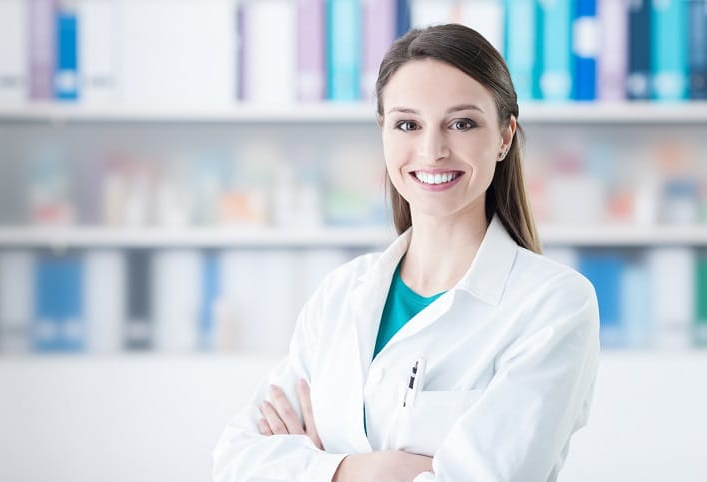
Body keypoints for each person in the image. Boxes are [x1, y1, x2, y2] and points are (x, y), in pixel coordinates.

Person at [212, 23, 599, 482]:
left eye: (462, 123)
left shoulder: (553, 305)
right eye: (407, 124)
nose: (432, 150)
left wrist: (312, 465)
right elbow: (235, 461)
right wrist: (364, 471)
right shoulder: (341, 294)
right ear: (384, 132)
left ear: (504, 136)